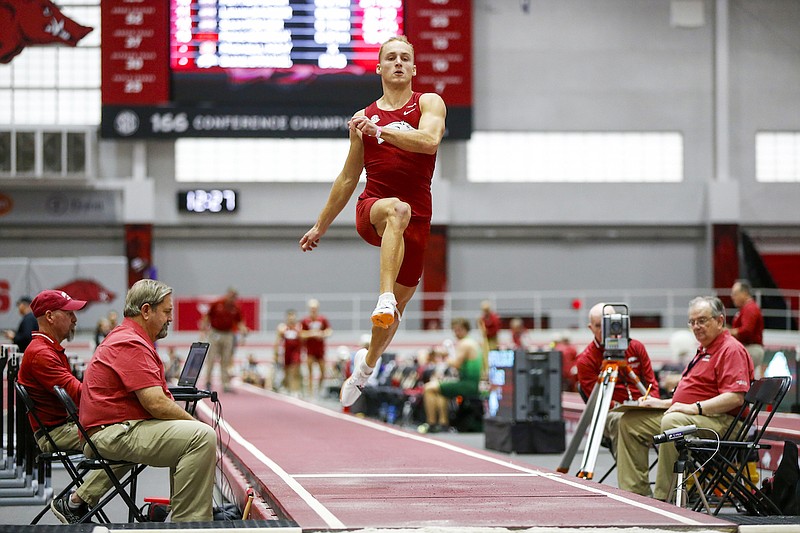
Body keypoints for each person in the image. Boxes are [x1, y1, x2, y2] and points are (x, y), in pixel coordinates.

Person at [299, 35, 446, 407]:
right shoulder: (363, 118)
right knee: (396, 209)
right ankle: (382, 297)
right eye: (391, 58)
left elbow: (429, 141)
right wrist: (320, 226)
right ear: (379, 68)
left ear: (414, 68)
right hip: (374, 210)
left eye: (405, 58)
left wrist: (381, 131)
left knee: (396, 311)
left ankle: (365, 367)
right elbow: (348, 179)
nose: (398, 63)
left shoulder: (427, 103)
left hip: (419, 220)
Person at [80, 279, 217, 522]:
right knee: (201, 437)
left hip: (115, 426)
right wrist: (196, 424)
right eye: (166, 312)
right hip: (111, 432)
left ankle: (183, 515)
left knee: (190, 434)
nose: (170, 319)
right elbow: (155, 404)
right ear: (146, 311)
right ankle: (188, 524)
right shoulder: (130, 342)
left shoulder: (129, 337)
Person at [616, 296, 754, 501]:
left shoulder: (730, 349)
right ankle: (636, 494)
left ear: (719, 320)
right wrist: (662, 403)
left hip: (724, 422)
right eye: (692, 322)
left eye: (702, 320)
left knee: (673, 423)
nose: (696, 326)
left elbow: (735, 398)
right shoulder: (704, 349)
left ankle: (665, 498)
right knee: (630, 422)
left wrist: (694, 408)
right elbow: (696, 393)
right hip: (698, 416)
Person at [16, 290, 123, 524]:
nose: (75, 319)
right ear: (50, 316)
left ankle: (77, 501)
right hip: (55, 433)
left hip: (64, 426)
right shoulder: (41, 354)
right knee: (128, 444)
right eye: (69, 313)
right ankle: (75, 502)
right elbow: (79, 394)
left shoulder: (47, 350)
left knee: (129, 439)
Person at [575, 303, 660, 453]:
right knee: (622, 422)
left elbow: (651, 383)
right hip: (611, 413)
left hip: (643, 408)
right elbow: (598, 402)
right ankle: (633, 477)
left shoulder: (636, 347)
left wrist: (652, 402)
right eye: (599, 325)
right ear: (591, 328)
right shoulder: (585, 360)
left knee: (673, 420)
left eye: (608, 324)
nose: (605, 331)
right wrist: (623, 407)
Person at [420, 318, 482, 433]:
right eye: (454, 330)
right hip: (469, 382)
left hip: (468, 384)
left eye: (458, 330)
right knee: (441, 391)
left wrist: (443, 358)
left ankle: (431, 423)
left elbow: (456, 364)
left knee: (428, 388)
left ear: (465, 330)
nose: (456, 333)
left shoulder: (465, 344)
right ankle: (443, 423)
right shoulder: (470, 342)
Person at [202, 287, 247, 392]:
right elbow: (207, 317)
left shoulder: (235, 307)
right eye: (231, 296)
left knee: (226, 359)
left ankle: (225, 383)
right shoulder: (217, 303)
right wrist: (203, 331)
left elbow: (240, 321)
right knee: (211, 358)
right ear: (227, 295)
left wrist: (243, 331)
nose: (232, 298)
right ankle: (208, 381)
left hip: (228, 334)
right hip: (215, 332)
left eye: (234, 297)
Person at [730, 279, 765, 378]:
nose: (733, 297)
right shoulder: (747, 308)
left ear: (744, 293)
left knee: (740, 377)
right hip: (750, 348)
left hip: (751, 348)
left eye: (735, 294)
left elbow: (746, 331)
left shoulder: (750, 308)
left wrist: (728, 332)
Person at [301, 298, 333, 396]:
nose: (313, 310)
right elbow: (301, 334)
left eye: (315, 308)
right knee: (310, 372)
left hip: (320, 350)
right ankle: (310, 392)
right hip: (310, 350)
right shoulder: (305, 320)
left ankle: (319, 390)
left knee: (323, 372)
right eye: (311, 308)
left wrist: (322, 334)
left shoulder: (322, 319)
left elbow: (329, 331)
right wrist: (311, 334)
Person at [275, 309, 303, 395]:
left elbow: (303, 340)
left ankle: (296, 390)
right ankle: (287, 388)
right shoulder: (283, 328)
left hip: (296, 352)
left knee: (295, 371)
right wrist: (276, 354)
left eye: (293, 317)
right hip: (286, 353)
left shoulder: (299, 327)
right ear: (287, 318)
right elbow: (278, 341)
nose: (291, 319)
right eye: (289, 317)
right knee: (286, 372)